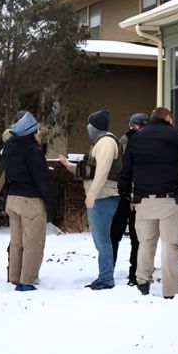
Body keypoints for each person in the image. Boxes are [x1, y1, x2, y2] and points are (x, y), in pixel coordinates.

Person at [118, 107, 178, 299]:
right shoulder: (177, 134)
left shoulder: (136, 138)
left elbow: (126, 169)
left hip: (143, 200)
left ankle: (143, 282)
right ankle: (170, 291)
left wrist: (125, 192)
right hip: (171, 200)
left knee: (146, 243)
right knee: (171, 246)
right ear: (168, 118)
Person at [59, 110, 121, 290]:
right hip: (101, 196)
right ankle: (105, 276)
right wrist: (69, 166)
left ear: (96, 126)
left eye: (90, 124)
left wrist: (92, 196)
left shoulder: (106, 143)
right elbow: (90, 171)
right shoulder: (100, 143)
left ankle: (106, 278)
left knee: (102, 241)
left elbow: (102, 172)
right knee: (101, 240)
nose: (88, 128)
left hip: (103, 197)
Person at [1, 111, 54, 291]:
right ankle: (27, 280)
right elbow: (41, 179)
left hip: (13, 199)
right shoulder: (31, 150)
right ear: (31, 132)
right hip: (30, 201)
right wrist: (50, 203)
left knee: (17, 241)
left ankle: (15, 276)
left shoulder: (9, 147)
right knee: (34, 242)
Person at [110, 113, 148, 285]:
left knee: (115, 235)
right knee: (137, 237)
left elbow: (118, 168)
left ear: (132, 125)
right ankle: (135, 274)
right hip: (141, 195)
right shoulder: (150, 142)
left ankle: (108, 270)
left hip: (122, 194)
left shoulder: (122, 141)